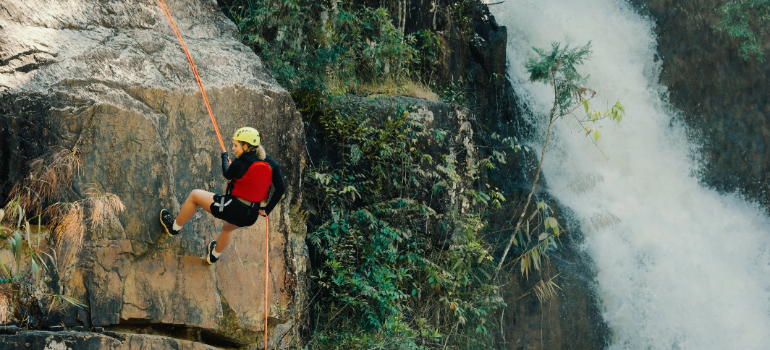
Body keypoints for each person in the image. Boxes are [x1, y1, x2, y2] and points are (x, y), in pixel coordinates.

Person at [159, 127, 285, 264]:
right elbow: (280, 188)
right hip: (251, 215)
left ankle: (173, 228)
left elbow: (227, 173)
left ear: (246, 147)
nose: (233, 148)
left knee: (194, 195)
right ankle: (213, 256)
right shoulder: (271, 163)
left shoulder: (239, 162)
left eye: (236, 145)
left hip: (233, 208)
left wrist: (224, 158)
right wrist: (268, 209)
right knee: (227, 228)